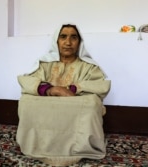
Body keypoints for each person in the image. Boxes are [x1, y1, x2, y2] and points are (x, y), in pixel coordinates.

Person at [16, 24, 111, 166]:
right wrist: (51, 90)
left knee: (92, 103)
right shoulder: (44, 64)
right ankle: (39, 144)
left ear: (79, 42)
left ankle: (79, 147)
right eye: (63, 37)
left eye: (73, 37)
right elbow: (27, 80)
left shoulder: (89, 66)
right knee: (26, 101)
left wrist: (73, 88)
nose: (68, 42)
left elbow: (101, 86)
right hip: (50, 102)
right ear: (56, 41)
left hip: (74, 104)